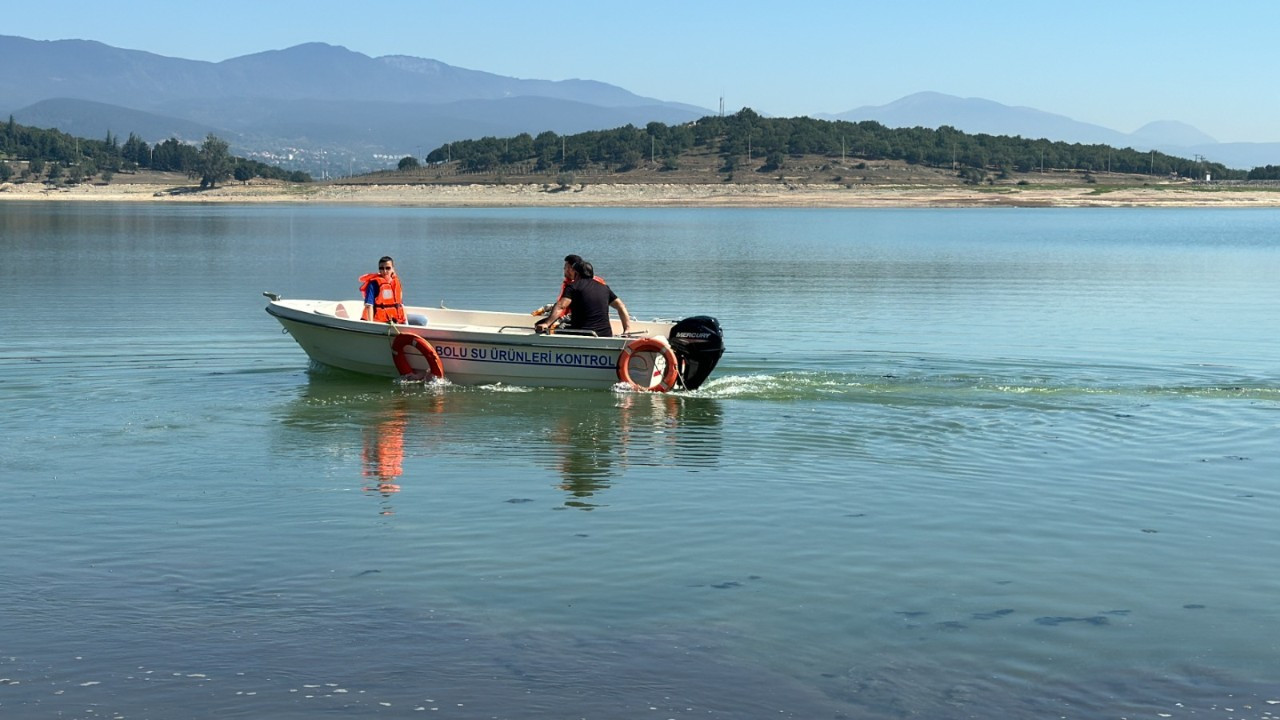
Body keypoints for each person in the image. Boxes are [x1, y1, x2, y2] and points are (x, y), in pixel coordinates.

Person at [535, 260, 632, 337]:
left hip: (582, 334)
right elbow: (621, 307)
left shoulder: (573, 287)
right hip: (605, 335)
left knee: (543, 328)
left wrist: (547, 324)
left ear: (576, 273)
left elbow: (561, 306)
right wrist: (626, 330)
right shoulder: (604, 288)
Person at [532, 254, 605, 318]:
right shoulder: (599, 281)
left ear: (571, 269)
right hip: (600, 320)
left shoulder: (572, 286)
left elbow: (562, 307)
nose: (564, 269)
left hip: (581, 321)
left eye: (565, 267)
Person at [358, 256, 407, 324]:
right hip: (379, 321)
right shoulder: (373, 284)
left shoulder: (396, 282)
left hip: (395, 319)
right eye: (381, 268)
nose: (384, 271)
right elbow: (369, 306)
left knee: (422, 320)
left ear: (393, 269)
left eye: (388, 268)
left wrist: (405, 322)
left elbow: (401, 305)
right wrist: (371, 325)